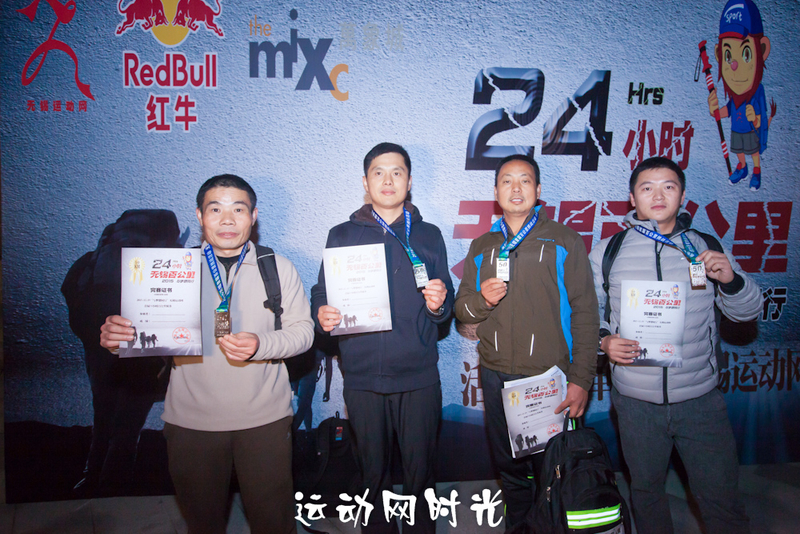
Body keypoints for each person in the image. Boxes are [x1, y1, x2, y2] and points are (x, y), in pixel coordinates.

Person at [101, 174, 314, 534]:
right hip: (191, 424)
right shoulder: (168, 271)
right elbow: (144, 333)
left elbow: (304, 332)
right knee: (202, 524)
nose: (227, 219)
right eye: (215, 209)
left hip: (264, 420)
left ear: (254, 216)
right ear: (200, 216)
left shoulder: (277, 267)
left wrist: (261, 344)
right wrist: (118, 338)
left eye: (238, 209)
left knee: (274, 523)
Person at [590, 157, 761, 534]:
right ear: (632, 197)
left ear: (682, 195)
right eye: (646, 187)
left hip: (700, 400)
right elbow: (586, 313)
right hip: (635, 403)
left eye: (668, 186)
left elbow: (747, 312)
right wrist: (604, 341)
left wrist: (731, 280)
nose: (658, 195)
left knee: (721, 498)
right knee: (646, 492)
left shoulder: (706, 247)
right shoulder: (608, 251)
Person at [311, 142, 454, 534]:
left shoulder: (428, 234)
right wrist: (321, 313)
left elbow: (447, 304)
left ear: (409, 181)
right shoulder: (342, 235)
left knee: (421, 477)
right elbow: (322, 292)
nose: (388, 180)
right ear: (365, 182)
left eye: (397, 172)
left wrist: (440, 302)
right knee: (371, 478)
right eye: (378, 172)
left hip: (418, 376)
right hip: (363, 378)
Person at [454, 154, 599, 531]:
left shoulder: (564, 240)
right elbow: (462, 309)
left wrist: (581, 379)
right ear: (495, 192)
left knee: (555, 473)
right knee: (512, 474)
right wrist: (482, 300)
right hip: (496, 377)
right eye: (507, 181)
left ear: (538, 189)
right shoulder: (482, 245)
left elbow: (586, 313)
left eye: (525, 180)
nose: (516, 188)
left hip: (548, 379)